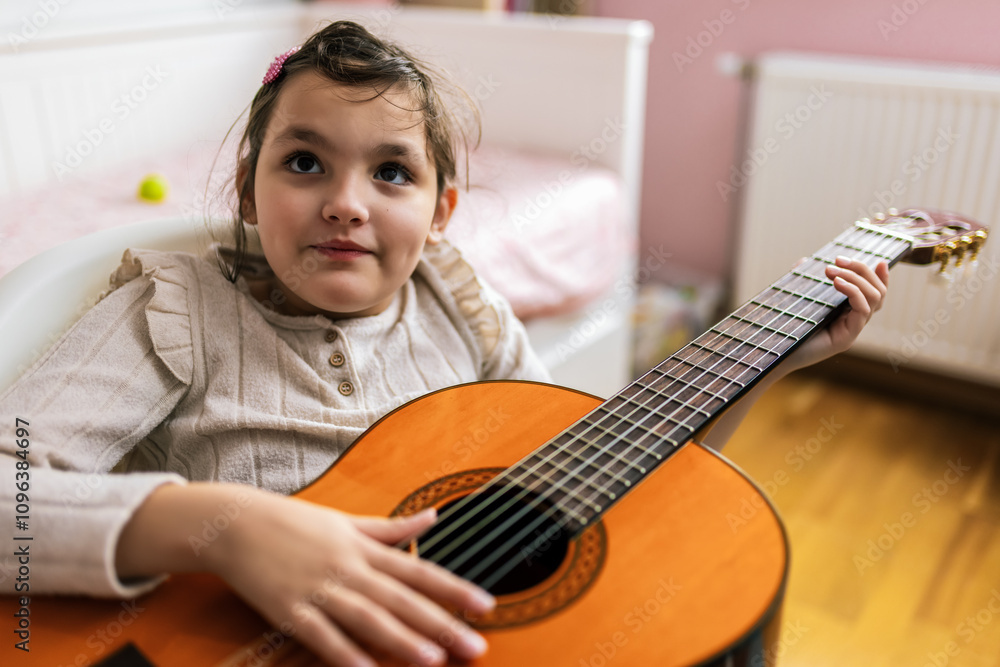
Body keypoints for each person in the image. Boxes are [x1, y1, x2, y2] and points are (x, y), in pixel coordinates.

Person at [0, 20, 889, 667]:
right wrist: (221, 530)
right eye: (304, 162)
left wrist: (771, 362)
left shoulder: (462, 307)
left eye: (392, 172)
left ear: (440, 214)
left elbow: (603, 480)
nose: (346, 202)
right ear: (246, 189)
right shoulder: (174, 309)